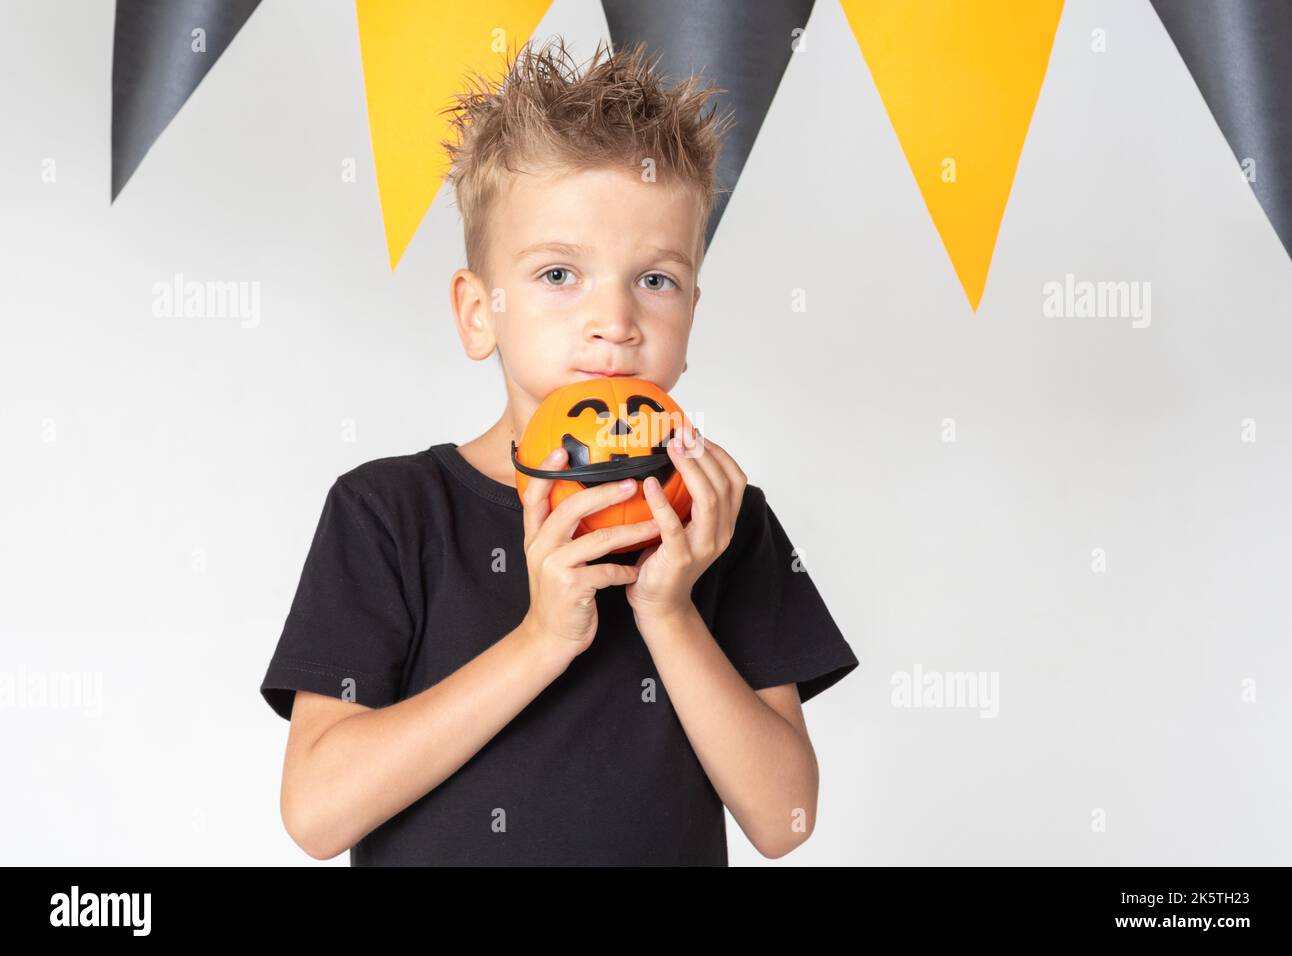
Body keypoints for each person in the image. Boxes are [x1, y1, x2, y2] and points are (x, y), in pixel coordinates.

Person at [259, 36, 859, 865]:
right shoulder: (388, 513)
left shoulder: (727, 523)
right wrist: (541, 639)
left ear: (691, 317)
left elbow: (783, 820)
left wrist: (669, 611)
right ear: (478, 313)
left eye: (656, 279)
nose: (615, 320)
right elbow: (317, 816)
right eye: (557, 275)